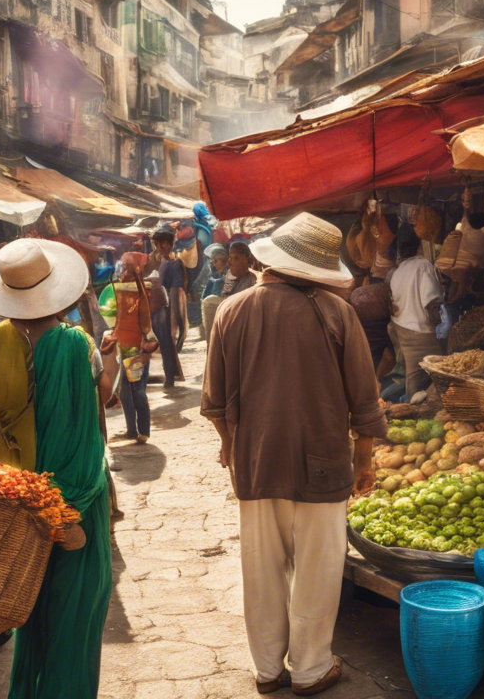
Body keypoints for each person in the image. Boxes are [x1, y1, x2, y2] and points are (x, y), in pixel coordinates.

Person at [201, 213, 386, 696]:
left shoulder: (231, 309)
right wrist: (363, 459)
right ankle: (309, 668)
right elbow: (364, 396)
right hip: (322, 460)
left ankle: (266, 670)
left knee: (261, 566)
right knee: (318, 568)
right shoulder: (336, 312)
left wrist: (229, 444)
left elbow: (215, 402)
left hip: (256, 461)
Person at [0, 239, 116, 699]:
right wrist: (110, 358)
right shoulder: (78, 345)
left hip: (16, 498)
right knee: (76, 610)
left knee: (30, 609)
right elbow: (102, 403)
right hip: (73, 497)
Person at [100, 251, 155, 444]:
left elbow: (145, 322)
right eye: (122, 267)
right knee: (126, 391)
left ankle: (144, 431)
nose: (122, 271)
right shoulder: (128, 289)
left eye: (126, 267)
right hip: (124, 346)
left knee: (137, 390)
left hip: (137, 347)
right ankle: (132, 430)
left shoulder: (142, 290)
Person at [387, 233, 443, 402]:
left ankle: (411, 411)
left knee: (413, 377)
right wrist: (439, 325)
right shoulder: (423, 266)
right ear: (419, 246)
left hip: (400, 329)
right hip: (420, 331)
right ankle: (419, 413)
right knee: (437, 375)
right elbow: (431, 300)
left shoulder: (397, 272)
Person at [150, 229, 186, 388]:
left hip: (167, 307)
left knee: (166, 342)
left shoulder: (175, 263)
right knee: (163, 342)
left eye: (164, 243)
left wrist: (174, 315)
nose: (161, 247)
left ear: (170, 244)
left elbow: (176, 289)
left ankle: (170, 376)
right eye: (158, 244)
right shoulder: (159, 261)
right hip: (157, 305)